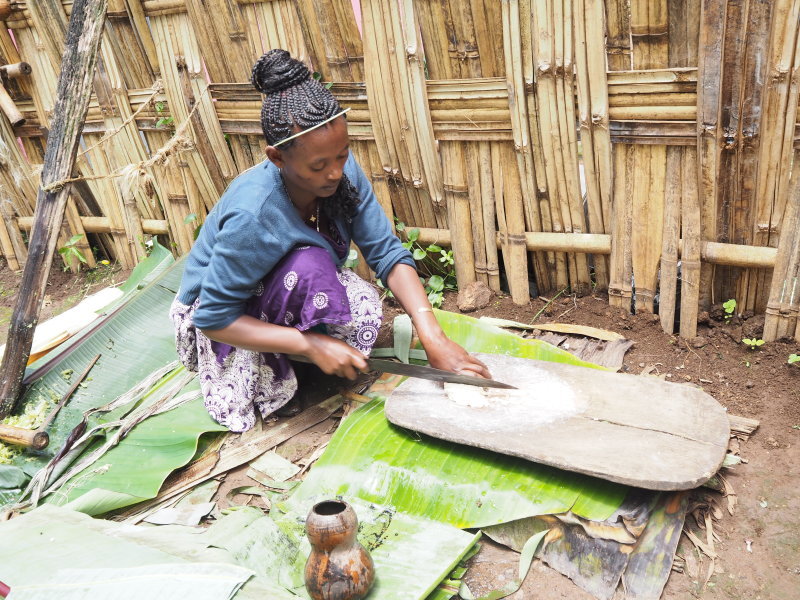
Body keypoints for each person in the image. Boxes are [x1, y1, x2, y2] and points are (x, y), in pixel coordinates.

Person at [170, 49, 489, 432]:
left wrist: (433, 336)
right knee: (309, 267)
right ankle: (289, 360)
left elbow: (386, 253)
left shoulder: (343, 173)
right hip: (221, 318)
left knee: (343, 292)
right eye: (318, 166)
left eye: (342, 154)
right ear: (277, 158)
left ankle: (300, 352)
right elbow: (213, 318)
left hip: (277, 289)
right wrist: (309, 345)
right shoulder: (253, 214)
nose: (336, 172)